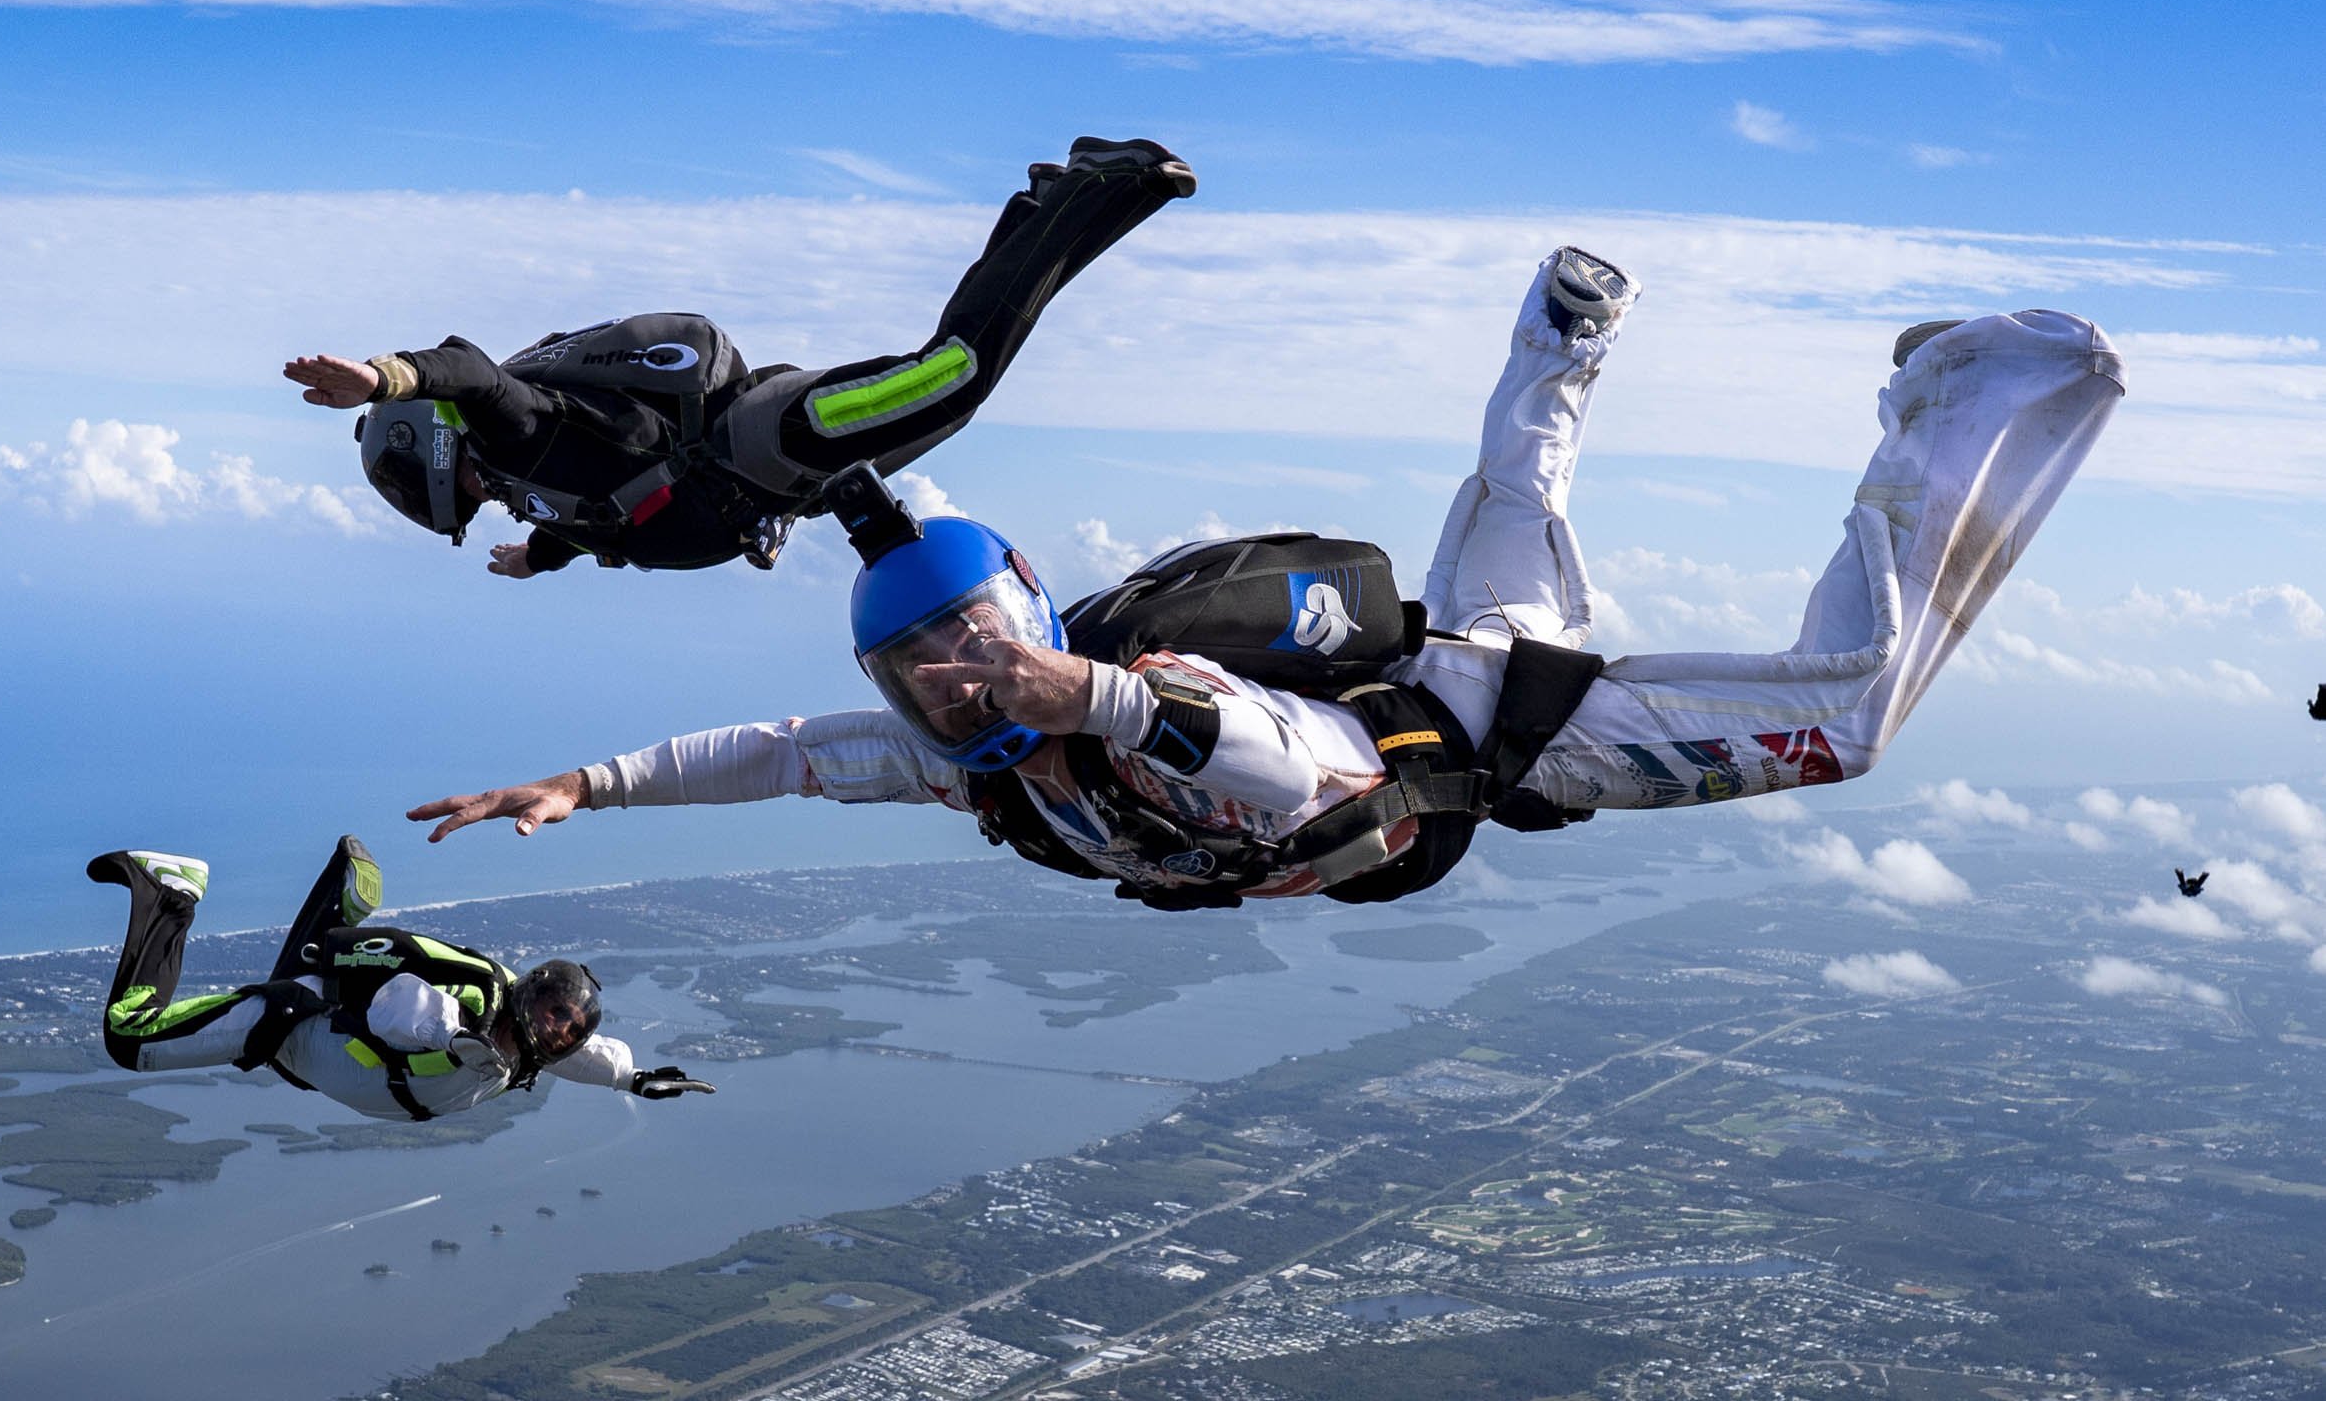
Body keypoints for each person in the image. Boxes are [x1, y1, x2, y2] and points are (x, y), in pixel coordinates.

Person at [405, 248, 2127, 907]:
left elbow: (1289, 763)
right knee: (1514, 500)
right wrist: (590, 783)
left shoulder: (1149, 707)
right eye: (919, 666)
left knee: (1848, 724)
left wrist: (1097, 697)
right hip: (1464, 666)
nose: (949, 678)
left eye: (971, 645)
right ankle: (1566, 325)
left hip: (1500, 732)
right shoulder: (970, 756)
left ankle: (1957, 393)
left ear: (1031, 621)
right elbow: (785, 750)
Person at [285, 137, 1196, 575]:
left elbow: (472, 370)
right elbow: (600, 502)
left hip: (774, 441)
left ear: (429, 443)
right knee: (955, 392)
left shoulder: (506, 435)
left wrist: (384, 374)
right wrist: (540, 557)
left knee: (951, 374)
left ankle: (1096, 184)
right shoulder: (528, 487)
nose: (455, 504)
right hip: (788, 483)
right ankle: (1042, 206)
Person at [88, 838, 713, 1121]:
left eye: (569, 1028)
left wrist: (630, 1077)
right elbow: (400, 1007)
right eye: (557, 1012)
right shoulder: (478, 1000)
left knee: (311, 963)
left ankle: (347, 890)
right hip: (292, 1027)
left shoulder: (530, 1050)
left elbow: (580, 1058)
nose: (560, 1031)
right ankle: (170, 891)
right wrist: (452, 1036)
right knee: (130, 1041)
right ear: (532, 993)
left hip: (325, 1059)